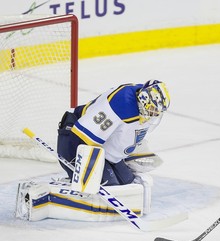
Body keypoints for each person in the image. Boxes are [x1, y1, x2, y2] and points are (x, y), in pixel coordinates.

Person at [15, 79, 171, 222]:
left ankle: (84, 182)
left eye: (156, 112)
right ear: (142, 100)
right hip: (75, 141)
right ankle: (40, 193)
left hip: (103, 151)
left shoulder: (142, 102)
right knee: (106, 191)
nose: (153, 115)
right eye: (151, 110)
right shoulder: (121, 103)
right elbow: (84, 137)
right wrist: (87, 173)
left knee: (128, 187)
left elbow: (127, 133)